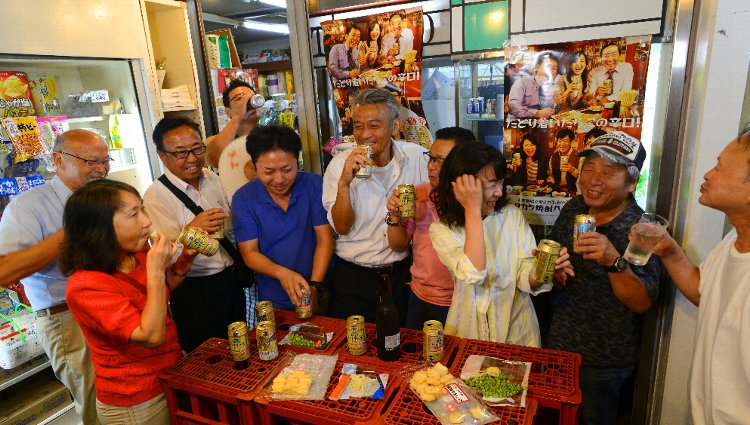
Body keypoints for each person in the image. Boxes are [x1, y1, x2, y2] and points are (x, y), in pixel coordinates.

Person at [545, 131, 661, 425]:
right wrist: (554, 271)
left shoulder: (642, 230)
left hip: (603, 361)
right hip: (557, 344)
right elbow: (554, 258)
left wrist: (613, 260)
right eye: (589, 169)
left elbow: (642, 301)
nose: (593, 180)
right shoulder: (574, 208)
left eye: (608, 172)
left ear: (632, 182)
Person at [60, 179, 195, 425]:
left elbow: (156, 299)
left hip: (170, 372)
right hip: (136, 399)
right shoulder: (86, 285)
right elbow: (151, 335)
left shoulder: (137, 253)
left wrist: (180, 268)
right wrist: (156, 269)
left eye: (142, 209)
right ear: (99, 227)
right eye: (134, 214)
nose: (147, 221)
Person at [0, 129, 107, 425]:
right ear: (58, 159)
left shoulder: (103, 196)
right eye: (90, 162)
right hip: (67, 317)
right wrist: (69, 232)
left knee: (123, 397)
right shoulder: (28, 206)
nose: (101, 169)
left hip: (112, 306)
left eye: (104, 161)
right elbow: (5, 270)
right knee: (96, 401)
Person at [650, 123, 750, 423]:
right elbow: (704, 292)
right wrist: (669, 251)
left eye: (719, 167)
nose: (708, 174)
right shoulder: (733, 240)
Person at [429, 142, 571, 345]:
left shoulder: (511, 216)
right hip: (468, 332)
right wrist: (472, 209)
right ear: (462, 185)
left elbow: (525, 277)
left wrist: (544, 268)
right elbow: (473, 273)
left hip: (517, 331)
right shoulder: (441, 229)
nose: (499, 192)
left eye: (501, 183)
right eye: (492, 184)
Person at [322, 88, 428, 322]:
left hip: (400, 275)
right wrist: (344, 184)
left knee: (398, 347)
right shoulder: (339, 165)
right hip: (353, 277)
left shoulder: (417, 157)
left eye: (374, 125)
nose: (365, 134)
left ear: (395, 126)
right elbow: (341, 227)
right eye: (358, 126)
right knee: (353, 349)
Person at [143, 117, 247, 352]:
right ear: (162, 155)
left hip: (231, 281)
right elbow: (166, 258)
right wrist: (191, 230)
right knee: (205, 357)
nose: (192, 158)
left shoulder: (211, 177)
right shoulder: (155, 197)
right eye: (181, 153)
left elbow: (233, 216)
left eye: (197, 149)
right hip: (194, 291)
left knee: (240, 348)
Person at [232, 125, 334, 312]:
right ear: (254, 167)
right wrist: (283, 274)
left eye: (287, 169)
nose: (279, 179)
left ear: (297, 161)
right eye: (269, 172)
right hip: (274, 299)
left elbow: (324, 239)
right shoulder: (244, 198)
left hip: (321, 288)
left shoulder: (313, 185)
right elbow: (250, 253)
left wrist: (315, 286)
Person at [385, 127, 475, 329]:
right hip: (420, 297)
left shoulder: (477, 201)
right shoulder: (419, 193)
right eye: (430, 158)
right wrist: (394, 217)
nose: (430, 167)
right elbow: (398, 245)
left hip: (463, 300)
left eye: (438, 161)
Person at [205, 79, 261, 169]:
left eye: (251, 98)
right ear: (228, 112)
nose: (247, 103)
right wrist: (237, 117)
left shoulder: (271, 136)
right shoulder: (215, 141)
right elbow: (214, 160)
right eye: (239, 99)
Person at [507, 51, 560, 121]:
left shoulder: (551, 87)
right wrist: (536, 113)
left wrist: (555, 108)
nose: (551, 71)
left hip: (541, 125)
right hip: (519, 125)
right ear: (537, 67)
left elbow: (553, 108)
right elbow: (513, 107)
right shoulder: (521, 82)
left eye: (554, 68)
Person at [546, 128, 580, 193]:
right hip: (557, 190)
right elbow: (550, 174)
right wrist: (551, 178)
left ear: (571, 142)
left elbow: (583, 178)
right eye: (560, 140)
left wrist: (572, 170)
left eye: (565, 141)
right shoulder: (553, 157)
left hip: (573, 192)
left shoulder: (579, 156)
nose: (562, 144)